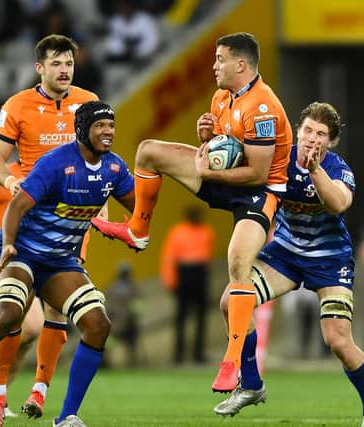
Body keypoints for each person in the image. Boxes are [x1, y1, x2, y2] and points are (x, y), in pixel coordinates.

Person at [92, 32, 293, 392]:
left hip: (259, 193)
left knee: (237, 263)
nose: (214, 65)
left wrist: (210, 171)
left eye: (220, 59)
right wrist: (206, 137)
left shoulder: (262, 107)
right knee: (149, 151)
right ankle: (138, 228)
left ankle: (231, 361)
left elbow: (259, 173)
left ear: (241, 65)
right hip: (225, 178)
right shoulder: (221, 98)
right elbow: (223, 149)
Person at [0, 100, 135, 427]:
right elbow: (15, 208)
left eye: (111, 126)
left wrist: (132, 230)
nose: (108, 132)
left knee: (98, 324)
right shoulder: (53, 163)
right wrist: (7, 246)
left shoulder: (114, 168)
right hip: (21, 252)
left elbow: (138, 207)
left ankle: (66, 415)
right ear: (82, 130)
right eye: (100, 126)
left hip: (60, 261)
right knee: (9, 315)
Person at [213, 102, 364, 427]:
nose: (312, 139)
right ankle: (251, 384)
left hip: (329, 260)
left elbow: (338, 204)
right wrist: (213, 139)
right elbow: (241, 164)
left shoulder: (338, 169)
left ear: (331, 142)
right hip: (286, 253)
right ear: (297, 131)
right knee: (231, 301)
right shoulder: (278, 158)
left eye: (321, 135)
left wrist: (314, 169)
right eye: (307, 131)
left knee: (337, 340)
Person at [0, 33, 99, 424]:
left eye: (68, 62)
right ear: (40, 68)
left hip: (72, 224)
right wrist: (11, 182)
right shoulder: (17, 105)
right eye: (56, 63)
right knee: (17, 317)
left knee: (58, 312)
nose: (64, 69)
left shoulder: (89, 103)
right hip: (31, 223)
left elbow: (102, 158)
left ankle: (39, 391)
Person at [160, 205, 215, 364]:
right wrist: (171, 280)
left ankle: (198, 354)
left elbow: (208, 256)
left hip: (201, 273)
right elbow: (169, 258)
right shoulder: (178, 232)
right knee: (181, 316)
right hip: (184, 273)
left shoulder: (207, 232)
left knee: (201, 317)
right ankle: (179, 354)